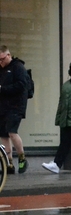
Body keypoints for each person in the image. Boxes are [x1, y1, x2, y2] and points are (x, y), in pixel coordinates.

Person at [0, 45, 30, 174]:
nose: (0, 62)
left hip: (16, 106)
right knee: (3, 134)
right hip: (3, 106)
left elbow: (22, 85)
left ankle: (22, 158)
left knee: (12, 132)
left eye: (1, 59)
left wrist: (2, 89)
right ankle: (9, 163)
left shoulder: (18, 67)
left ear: (8, 55)